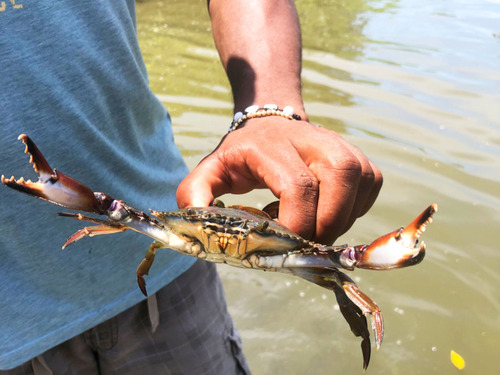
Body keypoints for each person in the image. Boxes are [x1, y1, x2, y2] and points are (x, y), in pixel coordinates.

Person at [0, 0, 382, 374]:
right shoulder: (157, 233)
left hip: (172, 272)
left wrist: (270, 109)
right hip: (10, 325)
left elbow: (342, 269)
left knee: (340, 271)